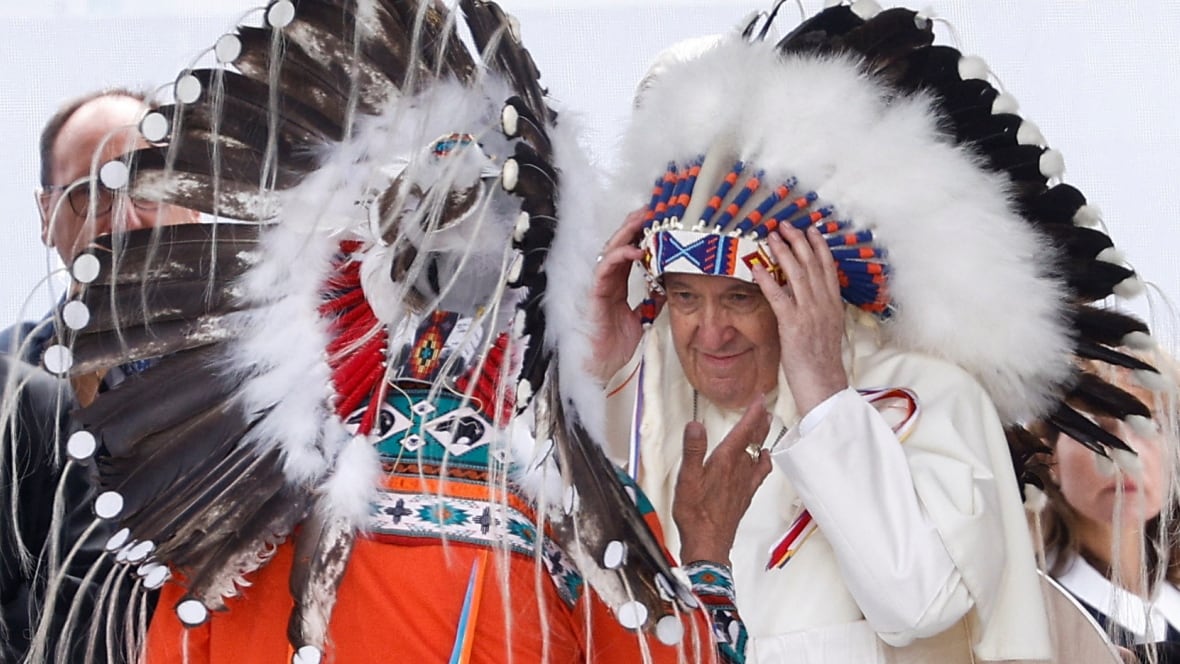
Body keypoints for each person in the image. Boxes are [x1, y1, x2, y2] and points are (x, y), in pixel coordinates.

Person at [589, 3, 1168, 662]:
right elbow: (595, 591)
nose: (710, 331)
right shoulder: (657, 406)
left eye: (742, 297)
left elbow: (918, 603)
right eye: (686, 297)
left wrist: (827, 400)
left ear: (806, 290)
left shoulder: (931, 396)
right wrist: (609, 372)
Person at [0, 88, 199, 365]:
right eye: (91, 193)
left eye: (148, 187)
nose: (124, 222)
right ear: (47, 216)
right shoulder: (8, 376)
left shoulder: (261, 362)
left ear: (195, 205)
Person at [1032, 355, 1180, 661]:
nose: (1127, 452)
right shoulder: (1029, 611)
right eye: (1095, 428)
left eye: (1150, 425)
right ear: (1050, 457)